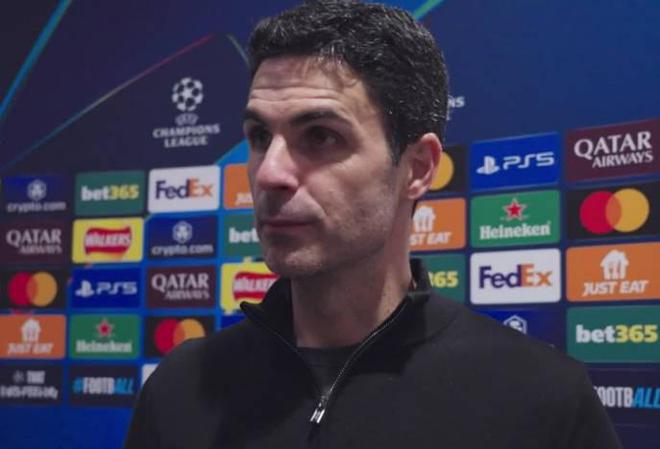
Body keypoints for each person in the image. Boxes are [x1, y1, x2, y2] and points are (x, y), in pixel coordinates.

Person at [124, 1, 621, 448]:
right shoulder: (181, 388)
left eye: (320, 136)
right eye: (258, 136)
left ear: (418, 168)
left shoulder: (541, 399)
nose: (270, 173)